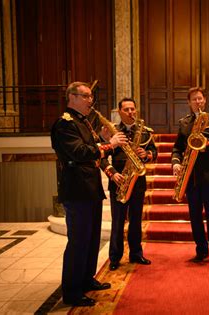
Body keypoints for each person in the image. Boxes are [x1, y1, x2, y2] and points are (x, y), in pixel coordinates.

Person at [51, 82, 128, 307]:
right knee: (78, 242)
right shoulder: (64, 124)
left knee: (92, 239)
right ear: (72, 97)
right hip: (76, 191)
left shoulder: (83, 122)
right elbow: (79, 152)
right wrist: (109, 145)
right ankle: (72, 292)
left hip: (90, 190)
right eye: (86, 97)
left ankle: (85, 279)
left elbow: (93, 151)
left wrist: (104, 142)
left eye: (91, 97)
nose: (90, 101)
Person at [172, 87, 209, 267]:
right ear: (189, 103)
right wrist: (176, 162)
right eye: (194, 99)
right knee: (195, 217)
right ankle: (201, 250)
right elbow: (177, 148)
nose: (197, 102)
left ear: (204, 100)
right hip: (191, 178)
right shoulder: (184, 123)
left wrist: (207, 144)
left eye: (200, 98)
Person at [100, 98, 157, 271]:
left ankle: (136, 253)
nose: (131, 112)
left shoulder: (145, 131)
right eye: (126, 109)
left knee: (136, 220)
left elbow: (154, 152)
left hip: (138, 182)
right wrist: (112, 173)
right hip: (119, 180)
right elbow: (100, 157)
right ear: (119, 112)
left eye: (133, 109)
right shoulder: (111, 131)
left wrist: (146, 154)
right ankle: (115, 257)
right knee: (117, 221)